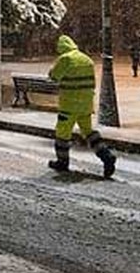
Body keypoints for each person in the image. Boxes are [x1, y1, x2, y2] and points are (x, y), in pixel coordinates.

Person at [48, 34, 116, 178]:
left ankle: (62, 162)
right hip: (85, 104)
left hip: (69, 104)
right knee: (88, 132)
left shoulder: (65, 59)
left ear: (61, 47)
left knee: (62, 133)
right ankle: (106, 155)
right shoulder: (86, 59)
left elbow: (54, 76)